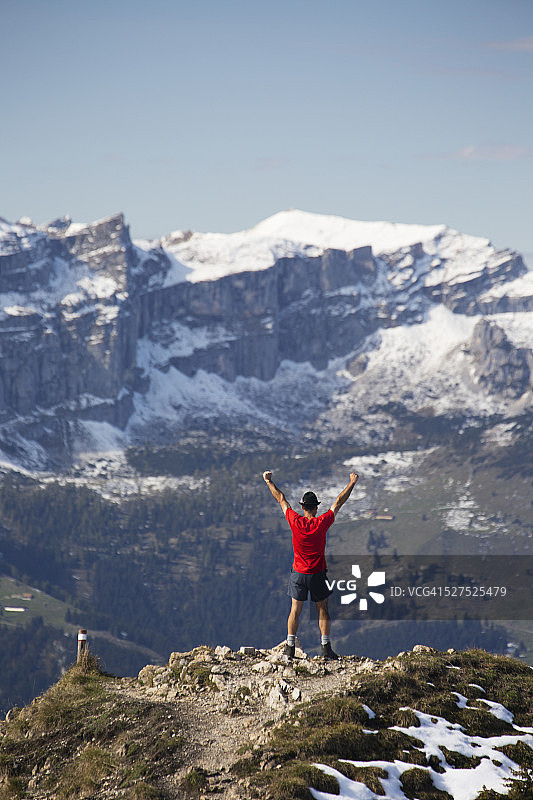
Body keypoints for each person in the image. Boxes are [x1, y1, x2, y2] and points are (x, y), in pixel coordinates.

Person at [262, 470, 359, 660]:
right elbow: (338, 501)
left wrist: (269, 481)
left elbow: (281, 499)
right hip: (317, 574)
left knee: (294, 611)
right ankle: (325, 648)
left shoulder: (294, 521)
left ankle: (290, 647)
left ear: (302, 507)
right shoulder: (322, 523)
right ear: (315, 508)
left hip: (298, 573)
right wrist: (352, 483)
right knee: (322, 610)